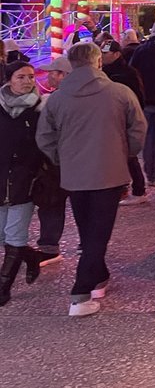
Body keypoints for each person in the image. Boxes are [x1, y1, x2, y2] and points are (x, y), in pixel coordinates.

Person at [35, 42, 146, 317]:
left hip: (73, 175)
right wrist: (126, 154)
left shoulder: (57, 98)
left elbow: (44, 137)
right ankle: (81, 293)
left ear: (72, 65)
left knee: (89, 229)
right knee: (98, 234)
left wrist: (62, 159)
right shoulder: (120, 93)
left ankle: (99, 277)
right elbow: (138, 128)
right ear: (98, 62)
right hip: (110, 172)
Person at [0, 62, 50, 305]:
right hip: (0, 180)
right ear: (9, 79)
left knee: (15, 235)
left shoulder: (40, 110)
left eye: (31, 77)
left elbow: (46, 145)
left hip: (26, 181)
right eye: (21, 77)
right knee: (2, 235)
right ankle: (31, 258)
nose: (27, 81)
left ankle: (3, 287)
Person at [30, 56, 71, 266]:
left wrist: (52, 157)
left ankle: (49, 247)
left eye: (53, 73)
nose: (49, 76)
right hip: (79, 161)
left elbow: (45, 136)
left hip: (59, 161)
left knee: (52, 201)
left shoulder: (53, 101)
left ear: (63, 75)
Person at [99, 39, 149, 206]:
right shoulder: (102, 72)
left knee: (129, 155)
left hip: (124, 119)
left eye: (105, 53)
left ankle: (138, 189)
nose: (102, 56)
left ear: (116, 54)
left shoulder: (128, 73)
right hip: (107, 119)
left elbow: (138, 98)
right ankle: (121, 188)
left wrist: (132, 118)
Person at [130, 23, 155, 185]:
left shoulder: (141, 50)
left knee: (147, 139)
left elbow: (133, 72)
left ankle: (149, 172)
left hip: (145, 102)